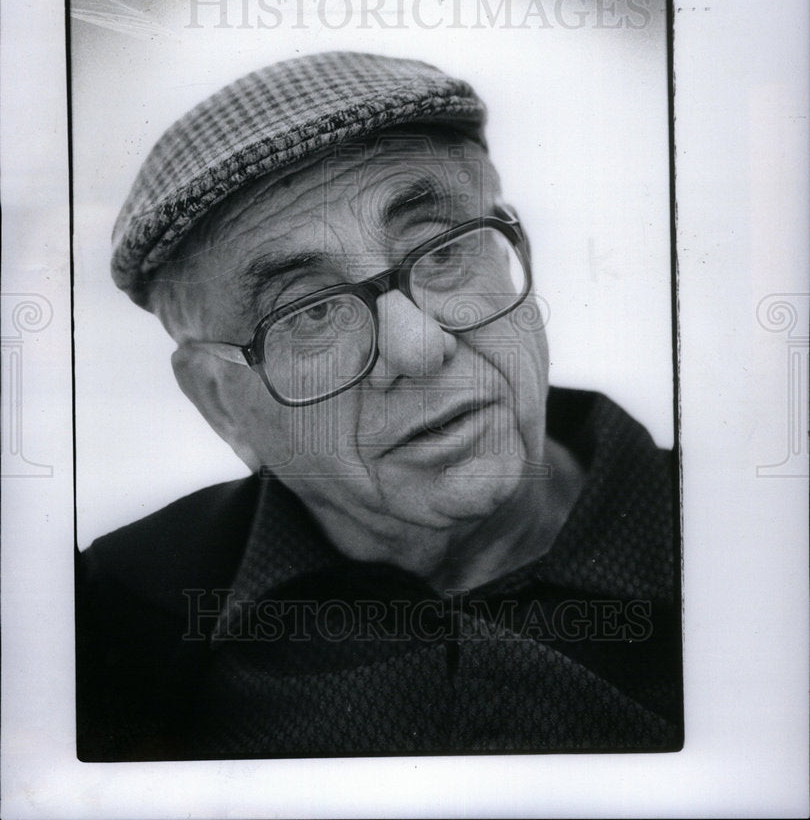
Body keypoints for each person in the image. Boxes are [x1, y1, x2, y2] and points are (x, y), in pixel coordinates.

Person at [76, 50, 682, 760]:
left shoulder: (750, 541)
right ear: (221, 404)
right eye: (309, 313)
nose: (420, 349)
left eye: (443, 253)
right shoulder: (111, 616)